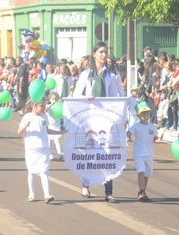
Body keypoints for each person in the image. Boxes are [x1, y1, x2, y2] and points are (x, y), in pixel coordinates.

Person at [73, 41, 123, 203]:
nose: (103, 55)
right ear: (94, 54)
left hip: (106, 119)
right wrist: (85, 97)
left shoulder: (113, 76)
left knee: (108, 154)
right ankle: (85, 185)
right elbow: (75, 96)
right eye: (100, 52)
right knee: (90, 153)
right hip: (89, 118)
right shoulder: (85, 75)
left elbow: (116, 97)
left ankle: (108, 191)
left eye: (105, 52)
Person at [17, 99, 65, 203]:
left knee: (44, 172)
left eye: (44, 106)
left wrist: (60, 132)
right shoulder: (27, 117)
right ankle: (31, 194)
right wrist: (26, 126)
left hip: (43, 148)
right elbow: (19, 132)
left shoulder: (45, 116)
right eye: (41, 106)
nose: (43, 108)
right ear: (34, 106)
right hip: (31, 149)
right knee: (32, 172)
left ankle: (47, 195)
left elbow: (47, 130)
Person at [127, 102, 158, 201]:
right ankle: (141, 191)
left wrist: (157, 139)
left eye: (147, 113)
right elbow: (129, 132)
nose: (146, 115)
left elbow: (155, 138)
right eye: (143, 113)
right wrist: (128, 134)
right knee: (141, 171)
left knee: (146, 174)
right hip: (138, 154)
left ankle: (143, 190)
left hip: (149, 154)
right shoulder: (136, 126)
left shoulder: (152, 127)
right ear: (139, 115)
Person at [45, 92, 64, 161]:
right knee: (49, 141)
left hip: (57, 125)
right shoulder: (48, 105)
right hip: (50, 126)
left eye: (55, 99)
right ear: (50, 99)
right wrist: (51, 104)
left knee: (57, 141)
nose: (54, 100)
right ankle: (49, 154)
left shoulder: (59, 105)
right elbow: (45, 110)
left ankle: (59, 154)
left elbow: (62, 113)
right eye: (52, 99)